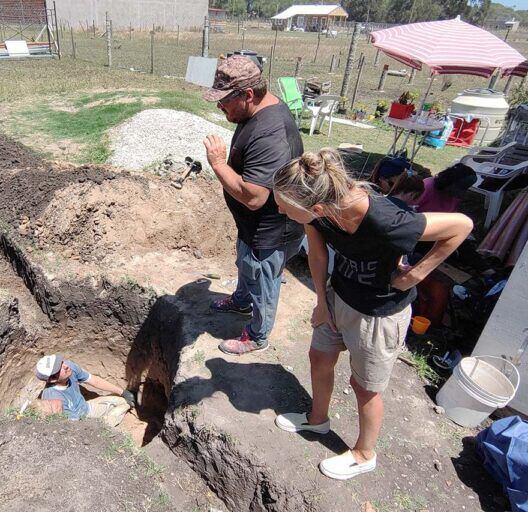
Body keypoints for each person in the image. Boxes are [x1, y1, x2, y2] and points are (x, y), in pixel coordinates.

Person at [271, 149, 472, 480]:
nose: (279, 209)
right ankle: (318, 419)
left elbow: (462, 226)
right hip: (339, 296)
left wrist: (415, 276)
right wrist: (321, 299)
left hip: (379, 314)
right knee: (319, 357)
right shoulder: (318, 210)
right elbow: (318, 255)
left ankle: (364, 454)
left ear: (317, 208)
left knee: (364, 386)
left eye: (283, 206)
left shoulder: (388, 221)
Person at [202, 55, 305, 355]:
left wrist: (219, 164)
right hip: (253, 227)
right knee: (246, 265)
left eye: (224, 101)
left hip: (272, 231)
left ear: (248, 94)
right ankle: (241, 300)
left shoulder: (271, 134)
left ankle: (257, 336)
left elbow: (254, 197)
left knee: (263, 281)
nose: (219, 107)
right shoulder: (256, 112)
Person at [33, 354, 136, 427]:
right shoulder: (53, 399)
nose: (65, 366)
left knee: (123, 402)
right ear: (53, 379)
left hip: (87, 408)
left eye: (61, 362)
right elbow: (73, 426)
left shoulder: (70, 368)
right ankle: (105, 429)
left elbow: (95, 381)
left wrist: (122, 392)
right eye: (59, 368)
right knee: (110, 421)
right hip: (80, 422)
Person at [411, 163, 476, 214]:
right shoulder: (427, 186)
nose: (461, 193)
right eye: (459, 187)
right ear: (449, 181)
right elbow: (408, 210)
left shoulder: (456, 196)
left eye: (464, 189)